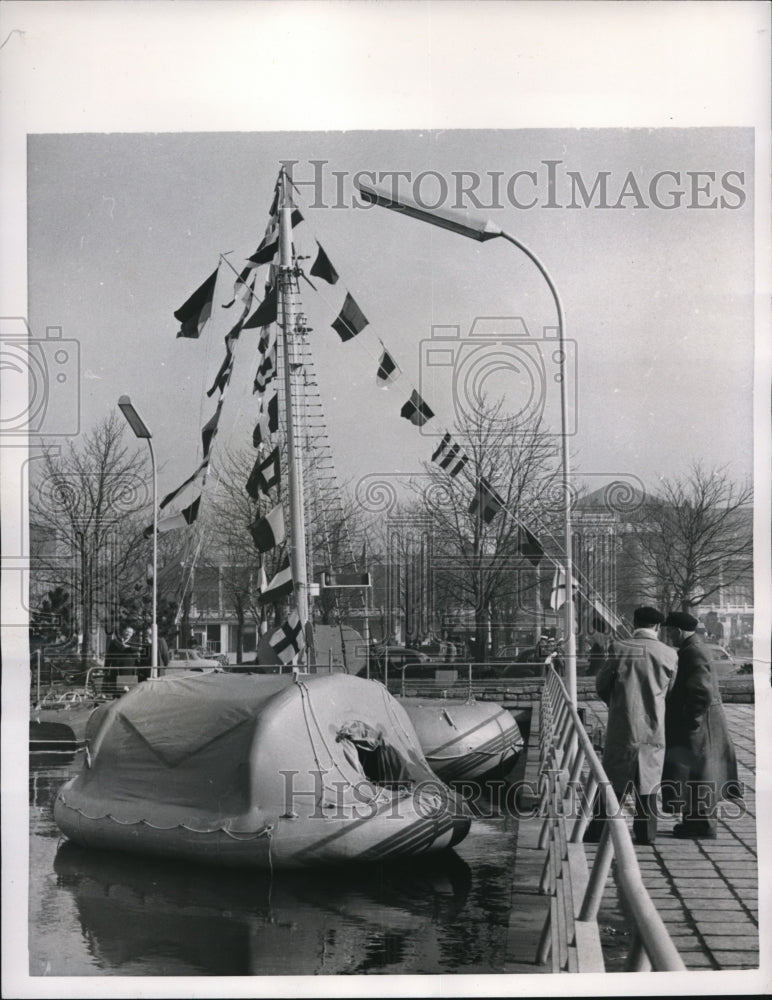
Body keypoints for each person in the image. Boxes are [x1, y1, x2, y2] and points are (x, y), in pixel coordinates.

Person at [584, 606, 677, 845]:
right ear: (657, 627)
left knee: (613, 780)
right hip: (653, 726)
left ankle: (598, 831)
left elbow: (602, 684)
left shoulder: (619, 648)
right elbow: (670, 691)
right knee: (648, 781)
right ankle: (647, 834)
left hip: (623, 725)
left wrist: (617, 704)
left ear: (635, 623)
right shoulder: (669, 654)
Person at [661, 611, 742, 839]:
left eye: (669, 632)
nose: (668, 636)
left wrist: (691, 719)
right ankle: (695, 822)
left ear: (678, 630)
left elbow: (701, 691)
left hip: (699, 724)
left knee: (699, 773)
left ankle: (702, 825)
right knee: (699, 774)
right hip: (703, 722)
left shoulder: (692, 651)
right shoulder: (694, 648)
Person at [104, 625, 135, 696]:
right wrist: (106, 668)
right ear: (123, 632)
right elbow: (109, 655)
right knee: (117, 692)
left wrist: (130, 648)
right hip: (116, 669)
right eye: (127, 631)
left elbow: (138, 653)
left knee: (127, 693)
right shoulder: (114, 642)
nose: (128, 634)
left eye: (130, 632)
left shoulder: (135, 643)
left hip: (128, 670)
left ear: (132, 634)